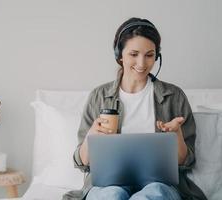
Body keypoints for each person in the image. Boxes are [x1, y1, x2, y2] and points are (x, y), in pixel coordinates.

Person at [63, 17, 207, 200]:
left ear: (157, 55)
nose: (142, 63)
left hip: (160, 185)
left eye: (149, 55)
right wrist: (91, 137)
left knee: (152, 194)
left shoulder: (174, 96)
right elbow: (82, 163)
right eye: (134, 54)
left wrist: (176, 135)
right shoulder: (98, 96)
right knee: (111, 195)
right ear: (119, 55)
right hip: (108, 185)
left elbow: (186, 162)